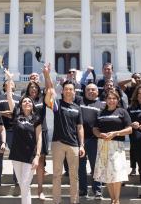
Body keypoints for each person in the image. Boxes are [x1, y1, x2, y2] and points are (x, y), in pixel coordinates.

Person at [43, 63, 85, 204]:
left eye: (71, 89)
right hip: (58, 143)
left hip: (74, 144)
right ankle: (56, 201)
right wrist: (47, 74)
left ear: (74, 92)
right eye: (66, 89)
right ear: (63, 91)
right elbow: (50, 89)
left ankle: (74, 201)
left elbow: (80, 128)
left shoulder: (77, 108)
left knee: (74, 176)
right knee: (56, 175)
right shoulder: (57, 105)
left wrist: (82, 145)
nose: (68, 91)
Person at [4, 70, 42, 204]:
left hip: (29, 155)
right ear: (21, 104)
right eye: (24, 101)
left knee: (25, 184)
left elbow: (39, 138)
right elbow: (9, 95)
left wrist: (37, 156)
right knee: (22, 185)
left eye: (29, 102)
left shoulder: (36, 119)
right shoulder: (17, 115)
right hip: (16, 154)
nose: (27, 103)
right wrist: (9, 80)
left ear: (32, 105)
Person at [93, 90, 132, 204]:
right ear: (106, 100)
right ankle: (112, 199)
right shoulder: (101, 113)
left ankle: (117, 200)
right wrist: (99, 134)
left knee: (116, 172)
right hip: (103, 145)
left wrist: (115, 133)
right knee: (107, 173)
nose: (111, 100)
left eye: (114, 98)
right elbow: (95, 129)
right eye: (109, 98)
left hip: (117, 146)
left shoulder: (122, 112)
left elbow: (129, 129)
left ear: (118, 100)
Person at [23, 80, 48, 200]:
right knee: (27, 161)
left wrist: (46, 75)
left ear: (38, 89)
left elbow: (50, 90)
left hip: (42, 131)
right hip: (28, 132)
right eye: (31, 87)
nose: (33, 89)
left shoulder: (42, 99)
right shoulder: (25, 100)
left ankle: (40, 190)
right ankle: (25, 188)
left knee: (41, 161)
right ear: (28, 90)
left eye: (35, 87)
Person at [78, 83, 104, 199]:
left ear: (97, 92)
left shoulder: (102, 105)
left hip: (95, 140)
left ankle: (97, 190)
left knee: (96, 166)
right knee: (81, 167)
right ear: (85, 91)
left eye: (93, 90)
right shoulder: (79, 101)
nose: (91, 91)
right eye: (88, 90)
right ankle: (83, 190)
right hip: (80, 141)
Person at [0, 81, 21, 186]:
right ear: (4, 86)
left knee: (16, 155)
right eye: (7, 83)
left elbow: (21, 112)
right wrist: (4, 113)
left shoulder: (19, 98)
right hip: (1, 129)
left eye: (12, 83)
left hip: (15, 130)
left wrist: (14, 114)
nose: (10, 84)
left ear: (15, 86)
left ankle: (17, 178)